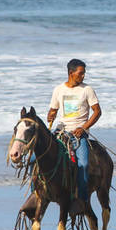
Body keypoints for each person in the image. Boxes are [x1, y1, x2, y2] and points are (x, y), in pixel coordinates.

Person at [46, 58, 101, 203]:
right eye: (81, 73)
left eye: (84, 73)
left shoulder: (87, 89)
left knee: (83, 164)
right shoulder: (58, 90)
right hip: (61, 132)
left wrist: (84, 128)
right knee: (35, 158)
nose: (83, 76)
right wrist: (50, 115)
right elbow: (52, 111)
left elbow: (97, 112)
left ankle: (82, 201)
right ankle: (36, 195)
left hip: (79, 135)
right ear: (71, 73)